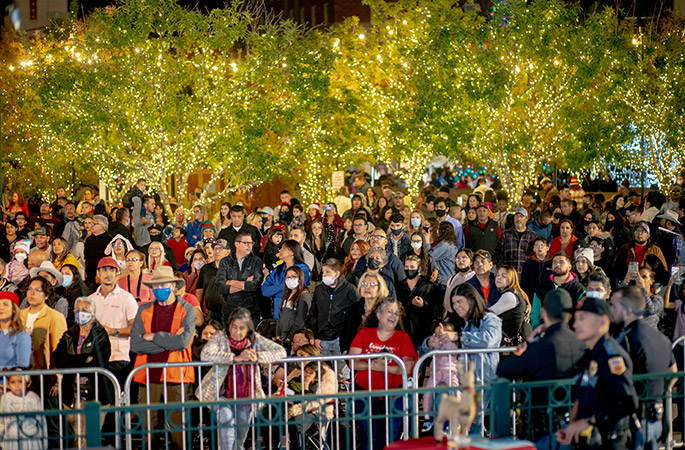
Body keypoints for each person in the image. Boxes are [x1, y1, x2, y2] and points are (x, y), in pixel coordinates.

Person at [497, 289, 585, 449]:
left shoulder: (539, 345)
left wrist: (528, 342)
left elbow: (504, 369)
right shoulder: (582, 343)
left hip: (542, 427)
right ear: (570, 315)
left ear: (543, 312)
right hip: (572, 423)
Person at [555, 297, 638, 449]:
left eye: (582, 318)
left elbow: (628, 402)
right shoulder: (590, 355)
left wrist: (588, 421)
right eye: (575, 318)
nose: (575, 324)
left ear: (602, 321)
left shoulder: (612, 356)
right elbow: (582, 398)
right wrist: (572, 429)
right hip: (588, 440)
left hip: (610, 441)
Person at [198, 308, 286, 450]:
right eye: (234, 327)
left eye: (242, 327)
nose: (237, 331)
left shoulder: (255, 339)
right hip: (221, 393)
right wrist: (235, 358)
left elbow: (281, 352)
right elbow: (206, 355)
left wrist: (257, 357)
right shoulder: (220, 337)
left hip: (247, 395)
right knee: (226, 420)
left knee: (240, 436)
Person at [130, 266, 196, 450]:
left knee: (178, 430)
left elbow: (182, 342)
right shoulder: (143, 310)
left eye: (164, 284)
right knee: (148, 431)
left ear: (174, 286)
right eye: (156, 285)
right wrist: (169, 339)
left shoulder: (187, 310)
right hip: (147, 376)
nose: (160, 288)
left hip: (177, 376)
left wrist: (155, 336)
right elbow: (136, 344)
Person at [610, 286, 676, 450]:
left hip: (634, 422)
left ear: (626, 309)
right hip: (656, 417)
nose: (610, 310)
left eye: (614, 305)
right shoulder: (661, 338)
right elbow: (673, 372)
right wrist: (658, 392)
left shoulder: (624, 340)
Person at [348, 298, 417, 450]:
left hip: (393, 396)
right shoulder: (365, 333)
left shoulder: (403, 338)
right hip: (366, 394)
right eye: (389, 311)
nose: (393, 315)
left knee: (390, 440)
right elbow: (352, 361)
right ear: (379, 315)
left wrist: (384, 368)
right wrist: (371, 365)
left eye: (396, 313)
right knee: (368, 438)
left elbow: (407, 366)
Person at [53, 296, 113, 412]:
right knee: (73, 428)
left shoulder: (100, 335)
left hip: (94, 392)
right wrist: (84, 358)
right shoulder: (69, 334)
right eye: (78, 310)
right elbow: (59, 359)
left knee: (91, 428)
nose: (81, 313)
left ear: (93, 313)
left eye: (85, 310)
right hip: (71, 392)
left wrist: (72, 361)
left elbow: (97, 363)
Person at [90, 257, 139, 387]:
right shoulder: (90, 300)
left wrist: (113, 331)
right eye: (104, 270)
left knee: (119, 400)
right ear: (98, 273)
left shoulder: (127, 298)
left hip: (119, 358)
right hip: (96, 358)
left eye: (112, 270)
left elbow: (136, 329)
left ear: (117, 274)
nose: (108, 274)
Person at [442, 283, 502, 386]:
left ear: (471, 300)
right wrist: (430, 342)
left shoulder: (489, 319)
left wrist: (459, 336)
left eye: (459, 301)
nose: (456, 306)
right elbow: (432, 341)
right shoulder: (451, 321)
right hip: (457, 383)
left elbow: (489, 340)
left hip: (483, 381)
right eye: (454, 303)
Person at [308, 259, 360, 373]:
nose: (324, 275)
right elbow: (313, 315)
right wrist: (316, 336)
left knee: (343, 372)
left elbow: (357, 312)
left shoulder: (350, 289)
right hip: (322, 339)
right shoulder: (319, 290)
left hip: (340, 338)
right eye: (323, 272)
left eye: (327, 272)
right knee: (324, 373)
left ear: (336, 274)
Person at [216, 231, 264, 325]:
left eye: (251, 243)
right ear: (236, 244)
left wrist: (231, 282)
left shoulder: (256, 261)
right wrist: (245, 284)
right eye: (246, 243)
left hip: (251, 311)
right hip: (230, 310)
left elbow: (255, 285)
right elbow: (220, 286)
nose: (249, 246)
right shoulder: (225, 261)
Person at [420, 322, 460, 433]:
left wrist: (444, 337)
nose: (439, 335)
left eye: (442, 332)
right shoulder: (435, 344)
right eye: (437, 333)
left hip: (449, 372)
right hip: (435, 372)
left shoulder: (453, 343)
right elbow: (425, 347)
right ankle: (427, 417)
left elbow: (451, 348)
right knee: (427, 393)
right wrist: (432, 342)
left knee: (455, 391)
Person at [20, 276, 67, 369]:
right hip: (20, 372)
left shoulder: (55, 317)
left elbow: (59, 351)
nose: (32, 293)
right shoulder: (19, 316)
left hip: (44, 372)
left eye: (38, 290)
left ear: (46, 295)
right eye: (30, 289)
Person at [530, 252, 585, 329]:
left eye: (561, 262)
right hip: (545, 333)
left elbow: (582, 315)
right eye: (555, 262)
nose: (557, 264)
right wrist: (536, 330)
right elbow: (535, 314)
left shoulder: (578, 289)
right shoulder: (542, 287)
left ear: (569, 266)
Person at [262, 240, 311, 319]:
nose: (279, 250)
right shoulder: (278, 269)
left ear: (291, 252)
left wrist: (275, 290)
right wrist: (283, 287)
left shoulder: (302, 269)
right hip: (278, 314)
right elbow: (264, 291)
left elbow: (297, 289)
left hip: (296, 312)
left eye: (282, 248)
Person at [396, 255, 438, 346]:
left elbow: (436, 311)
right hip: (403, 331)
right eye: (406, 267)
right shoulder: (399, 286)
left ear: (418, 268)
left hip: (422, 331)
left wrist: (423, 305)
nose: (409, 269)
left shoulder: (428, 285)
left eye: (412, 267)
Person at [0, 373, 48, 450]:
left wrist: (44, 442)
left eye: (20, 381)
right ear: (8, 384)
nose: (17, 385)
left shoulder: (34, 398)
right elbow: (1, 421)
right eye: (13, 382)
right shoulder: (5, 398)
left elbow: (41, 421)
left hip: (31, 439)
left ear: (28, 383)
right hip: (12, 439)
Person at [493, 265, 530, 345]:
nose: (499, 278)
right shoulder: (514, 292)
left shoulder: (509, 295)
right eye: (497, 275)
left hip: (512, 346)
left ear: (512, 278)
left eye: (504, 276)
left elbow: (489, 313)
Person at [196, 239, 230, 322]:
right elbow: (199, 289)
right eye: (215, 248)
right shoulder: (206, 269)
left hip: (230, 313)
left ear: (228, 252)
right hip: (211, 312)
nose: (217, 251)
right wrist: (198, 309)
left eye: (220, 249)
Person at [496, 208, 538, 275]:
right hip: (509, 275)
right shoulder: (506, 234)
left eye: (521, 216)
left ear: (526, 219)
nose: (518, 219)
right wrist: (502, 269)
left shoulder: (533, 236)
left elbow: (536, 255)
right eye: (516, 216)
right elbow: (498, 253)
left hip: (526, 274)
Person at [276, 266, 312, 342]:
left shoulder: (304, 295)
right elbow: (280, 316)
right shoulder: (287, 294)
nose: (290, 279)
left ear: (300, 277)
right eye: (288, 277)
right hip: (283, 336)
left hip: (295, 338)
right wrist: (278, 334)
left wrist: (290, 337)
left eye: (293, 276)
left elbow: (300, 321)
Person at [0, 296, 31, 369]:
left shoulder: (21, 335)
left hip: (7, 379)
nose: (1, 307)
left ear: (14, 309)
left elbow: (22, 365)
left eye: (5, 304)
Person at [83, 215, 111, 286]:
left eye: (94, 224)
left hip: (102, 276)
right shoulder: (89, 239)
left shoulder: (108, 240)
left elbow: (108, 260)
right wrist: (85, 273)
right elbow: (86, 258)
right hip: (89, 276)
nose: (91, 226)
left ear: (101, 226)